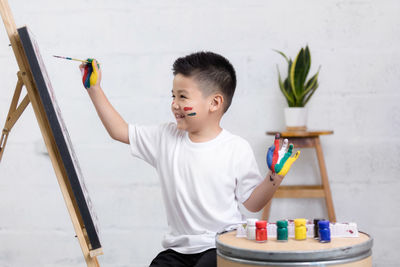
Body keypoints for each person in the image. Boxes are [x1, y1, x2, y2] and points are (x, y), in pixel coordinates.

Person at [79, 51, 299, 267]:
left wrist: (275, 176)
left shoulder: (236, 148)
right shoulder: (165, 138)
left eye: (182, 96)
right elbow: (119, 131)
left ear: (214, 103)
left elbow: (253, 203)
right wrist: (94, 88)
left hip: (220, 245)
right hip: (177, 251)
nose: (174, 104)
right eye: (173, 96)